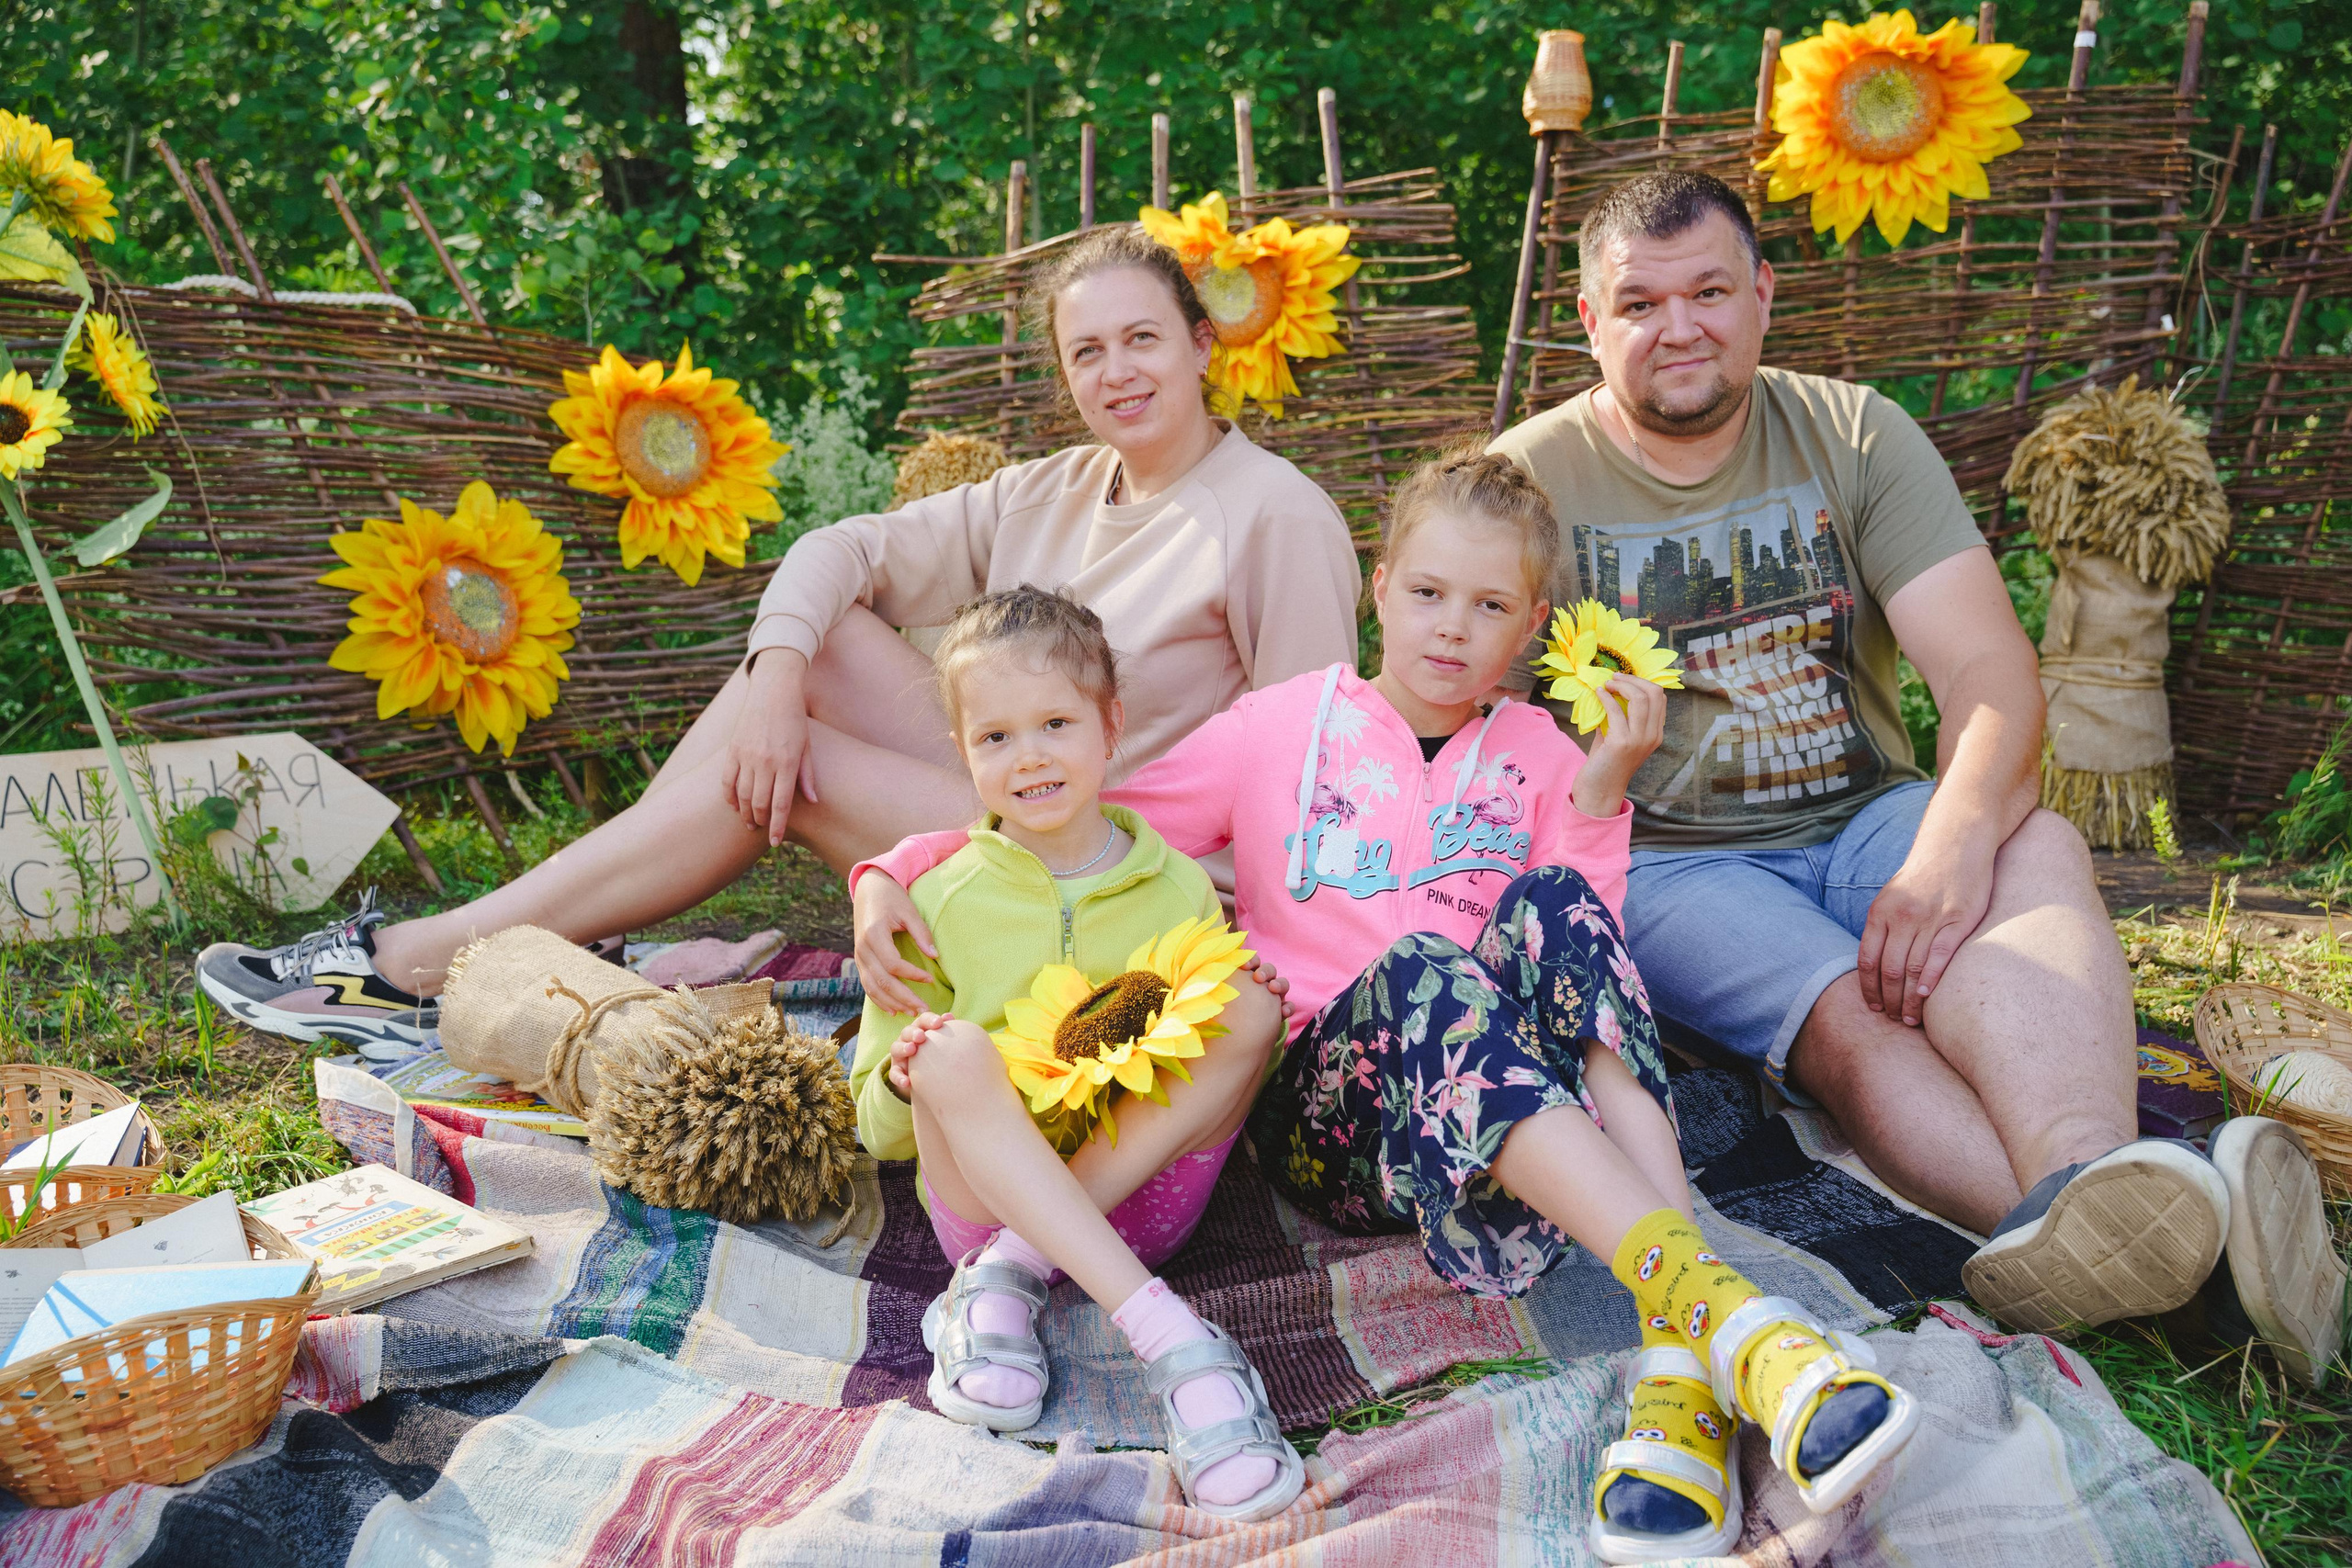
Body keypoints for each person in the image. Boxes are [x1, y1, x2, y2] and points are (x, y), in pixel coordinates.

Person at [855, 449, 1919, 1564]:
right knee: (1422, 964)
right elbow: (1066, 805)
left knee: (1555, 900)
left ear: (1533, 625)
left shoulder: (1541, 752)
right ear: (1378, 585)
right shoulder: (1277, 728)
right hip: (1331, 1118)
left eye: (1489, 605)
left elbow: (1589, 974)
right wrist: (891, 869)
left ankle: (1681, 1365)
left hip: (1509, 1122)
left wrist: (1600, 793)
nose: (1451, 629)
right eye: (1426, 593)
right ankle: (1732, 1320)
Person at [1484, 169, 2341, 1374]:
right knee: (1854, 1019)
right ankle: (2202, 1261)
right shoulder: (1528, 482)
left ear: (1763, 297)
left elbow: (1993, 680)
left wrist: (1945, 854)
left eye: (1710, 291)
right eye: (1640, 303)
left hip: (1866, 813)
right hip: (1671, 863)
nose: (1678, 326)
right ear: (1588, 319)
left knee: (2031, 840)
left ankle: (2091, 1184)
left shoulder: (1852, 433)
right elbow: (1459, 724)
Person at [195, 226, 1363, 1055]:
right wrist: (772, 673)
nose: (1117, 372)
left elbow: (1313, 787)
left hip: (1115, 864)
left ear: (1203, 344)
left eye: (1142, 339)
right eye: (1086, 352)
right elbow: (837, 550)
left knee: (792, 765)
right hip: (1008, 778)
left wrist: (1246, 987)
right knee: (811, 657)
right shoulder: (1053, 489)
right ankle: (571, 935)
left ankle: (420, 959)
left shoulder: (1272, 516)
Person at [856, 583, 1304, 1524]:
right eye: (996, 738)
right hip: (982, 1206)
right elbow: (876, 1127)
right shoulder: (933, 899)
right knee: (951, 1051)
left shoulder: (1175, 887)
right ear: (963, 753)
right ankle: (1167, 1336)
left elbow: (1206, 1080)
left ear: (1111, 726)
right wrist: (910, 1080)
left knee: (1251, 1008)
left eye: (1055, 722)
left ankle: (1009, 1281)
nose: (1030, 758)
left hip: (1144, 1204)